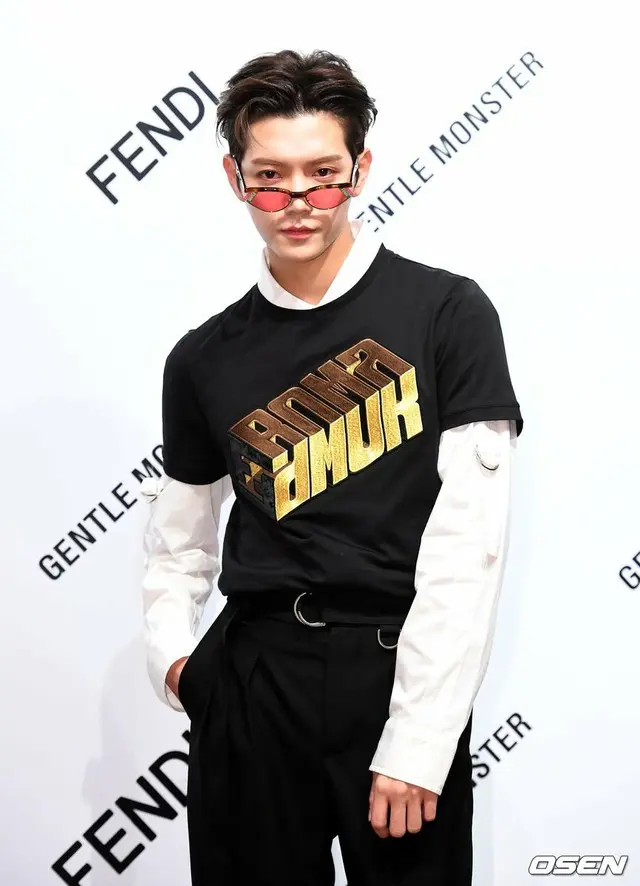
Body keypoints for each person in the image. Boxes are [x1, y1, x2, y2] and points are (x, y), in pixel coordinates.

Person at [141, 48, 523, 886]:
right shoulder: (202, 357)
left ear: (360, 169)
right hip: (252, 685)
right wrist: (179, 664)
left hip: (392, 673)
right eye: (270, 178)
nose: (299, 202)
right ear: (236, 179)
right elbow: (179, 540)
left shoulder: (446, 312)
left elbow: (469, 547)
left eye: (323, 175)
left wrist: (420, 740)